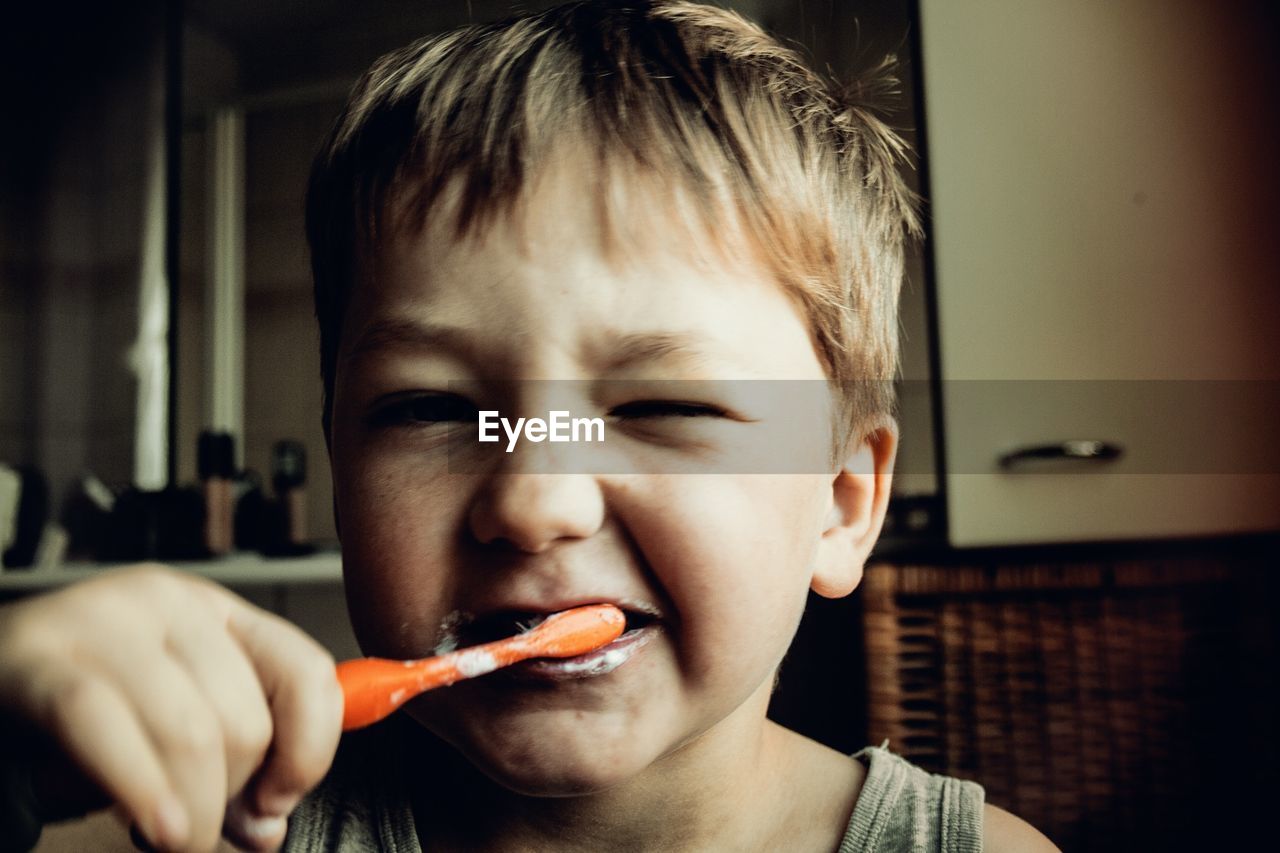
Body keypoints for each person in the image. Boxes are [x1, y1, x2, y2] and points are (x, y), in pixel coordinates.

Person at [0, 2, 1058, 850]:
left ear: (839, 503)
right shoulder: (194, 827)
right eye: (431, 409)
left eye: (662, 407)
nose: (532, 498)